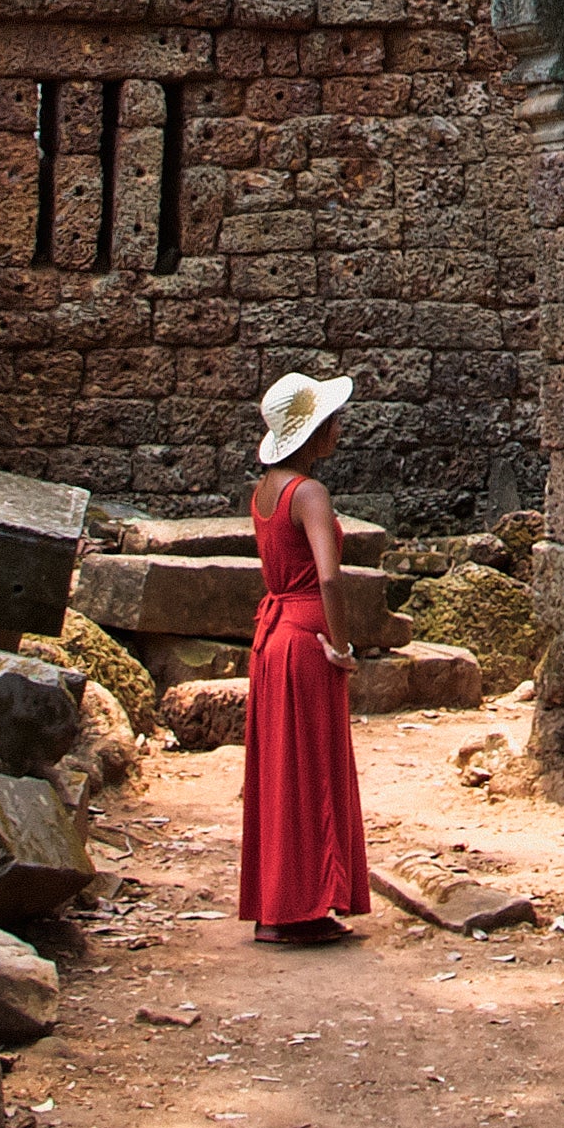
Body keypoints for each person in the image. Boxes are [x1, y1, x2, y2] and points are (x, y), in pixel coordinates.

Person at [242, 368, 370, 944]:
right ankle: (307, 906)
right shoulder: (309, 493)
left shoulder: (266, 492)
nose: (340, 429)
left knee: (280, 771)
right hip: (307, 642)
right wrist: (341, 646)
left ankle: (279, 904)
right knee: (311, 770)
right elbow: (329, 579)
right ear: (316, 433)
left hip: (274, 640)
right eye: (333, 421)